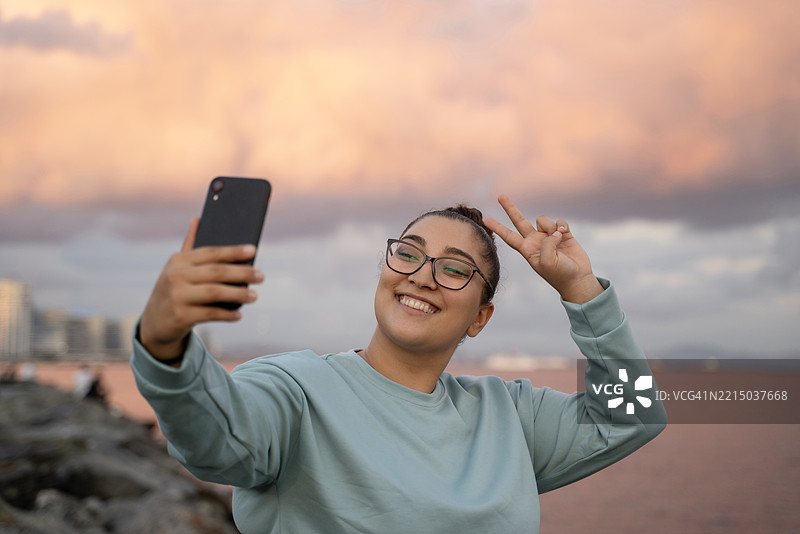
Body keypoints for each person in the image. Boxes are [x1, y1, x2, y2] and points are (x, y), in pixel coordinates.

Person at [131, 194, 666, 534]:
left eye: (454, 269)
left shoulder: (508, 415)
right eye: (408, 254)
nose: (422, 275)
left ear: (480, 318)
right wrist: (165, 340)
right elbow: (213, 440)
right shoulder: (295, 389)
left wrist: (581, 291)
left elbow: (631, 416)